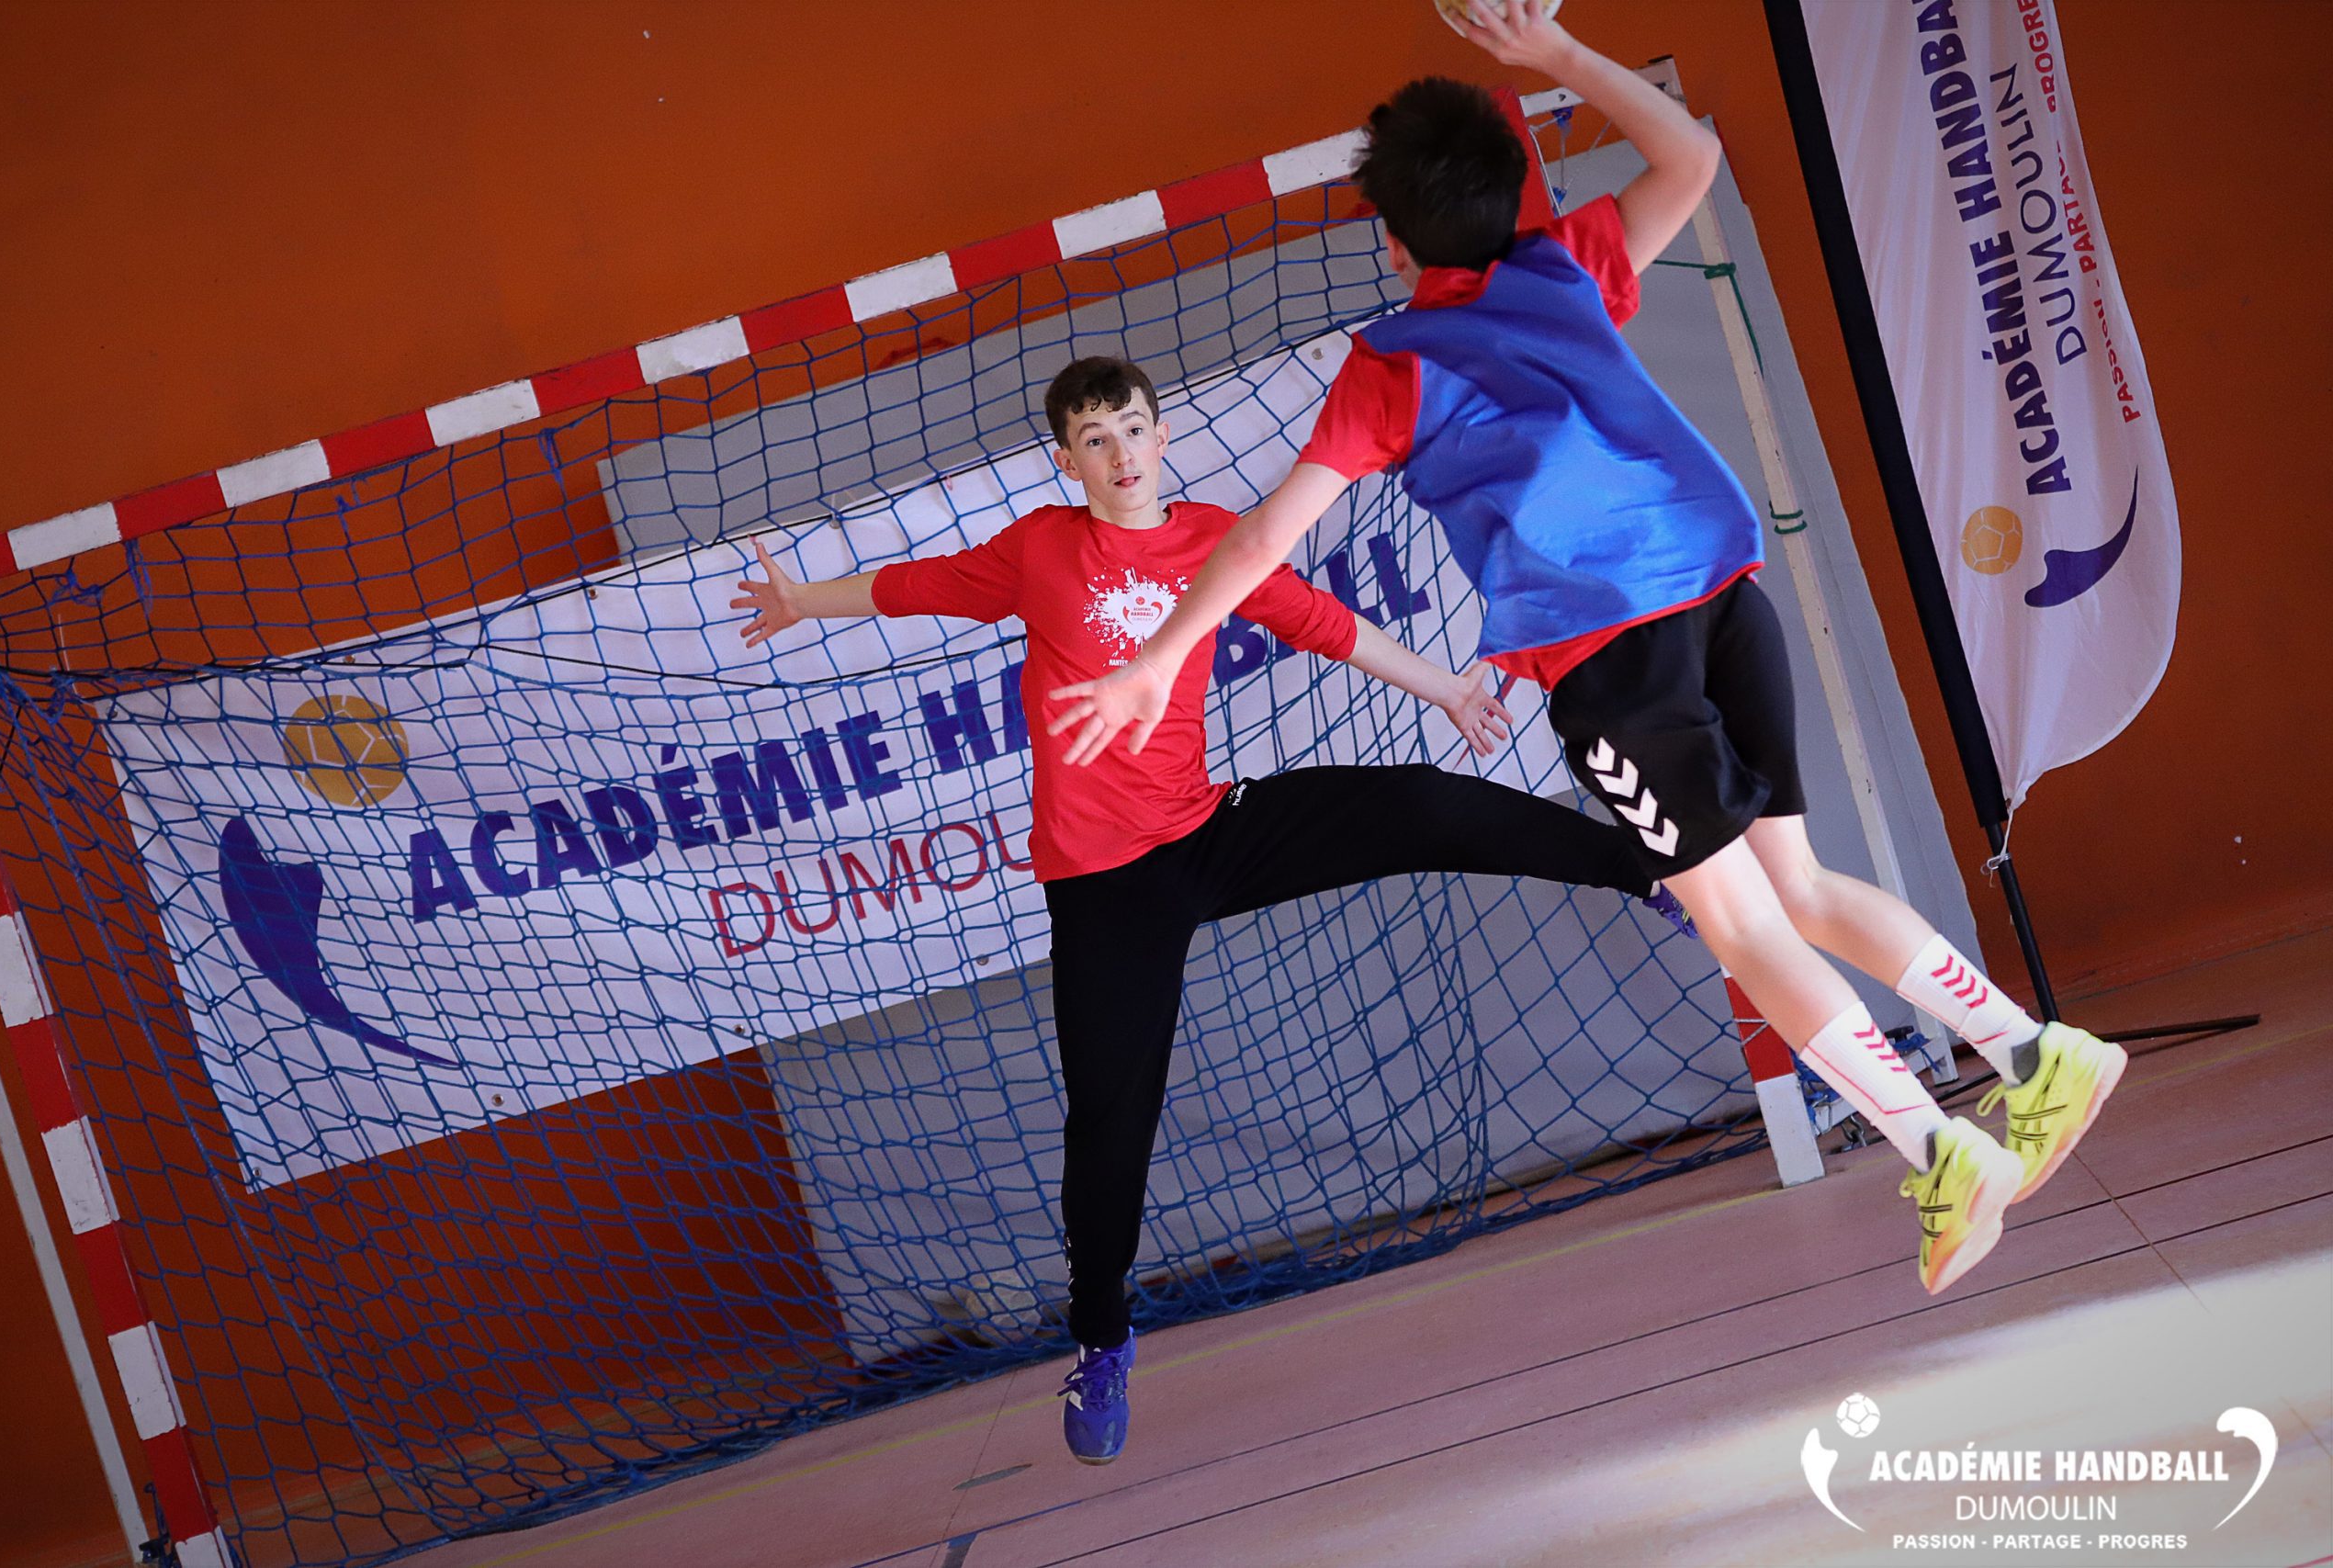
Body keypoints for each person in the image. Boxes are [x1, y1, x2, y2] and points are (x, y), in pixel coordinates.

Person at [1043, 6, 2125, 1302]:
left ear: (1393, 242)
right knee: (1800, 885)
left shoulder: (1392, 367)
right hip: (1724, 600)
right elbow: (1691, 158)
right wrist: (1554, 56)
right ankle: (2032, 1052)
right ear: (1515, 188)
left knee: (1743, 930)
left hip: (1615, 666)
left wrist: (1159, 656)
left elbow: (1265, 534)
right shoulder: (1566, 264)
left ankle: (1943, 1151)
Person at [733, 354, 1686, 1464]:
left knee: (1421, 804)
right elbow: (914, 586)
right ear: (1067, 461)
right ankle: (1101, 1341)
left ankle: (1650, 874)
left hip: (1207, 828)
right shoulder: (1040, 551)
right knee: (1109, 1125)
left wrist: (1447, 690)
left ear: (1161, 436)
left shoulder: (1214, 541)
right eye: (1095, 440)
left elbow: (1319, 622)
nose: (1121, 454)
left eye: (1132, 430)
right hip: (1105, 884)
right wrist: (799, 601)